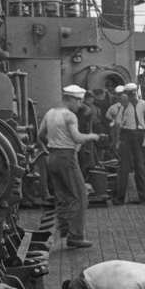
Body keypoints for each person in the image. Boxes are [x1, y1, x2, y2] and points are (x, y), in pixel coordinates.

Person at [38, 85, 102, 249]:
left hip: (52, 157)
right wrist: (92, 136)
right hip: (66, 157)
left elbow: (40, 135)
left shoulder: (50, 113)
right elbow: (77, 138)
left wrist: (51, 145)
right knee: (80, 196)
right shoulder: (69, 115)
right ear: (71, 99)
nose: (80, 105)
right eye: (79, 100)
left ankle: (65, 230)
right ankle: (76, 236)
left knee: (64, 196)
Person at [107, 82, 145, 203]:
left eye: (133, 93)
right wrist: (116, 141)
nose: (132, 96)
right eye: (129, 94)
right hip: (126, 135)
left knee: (140, 166)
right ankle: (120, 197)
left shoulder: (143, 105)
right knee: (125, 167)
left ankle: (142, 196)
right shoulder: (122, 106)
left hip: (139, 134)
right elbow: (118, 123)